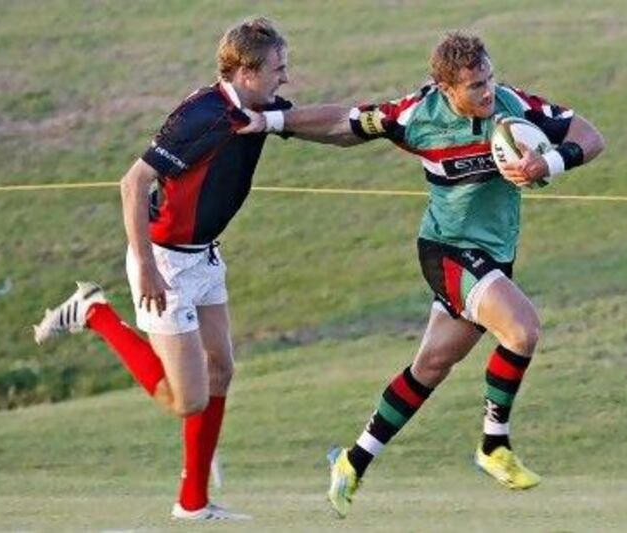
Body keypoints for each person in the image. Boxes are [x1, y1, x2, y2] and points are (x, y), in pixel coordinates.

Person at [241, 31, 605, 517]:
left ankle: (352, 461)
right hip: (447, 252)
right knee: (522, 328)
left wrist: (551, 161)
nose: (488, 91)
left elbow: (590, 135)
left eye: (490, 78)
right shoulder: (415, 115)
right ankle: (493, 445)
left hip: (493, 257)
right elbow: (344, 122)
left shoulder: (514, 106)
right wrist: (270, 120)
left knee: (430, 367)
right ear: (444, 88)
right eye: (475, 85)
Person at [32, 17, 294, 521]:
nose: (285, 78)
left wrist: (376, 123)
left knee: (222, 370)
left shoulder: (260, 108)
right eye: (278, 69)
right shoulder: (201, 116)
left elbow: (318, 124)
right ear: (244, 72)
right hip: (166, 263)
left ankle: (193, 504)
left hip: (204, 255)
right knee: (186, 401)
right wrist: (147, 268)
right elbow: (133, 185)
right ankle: (95, 313)